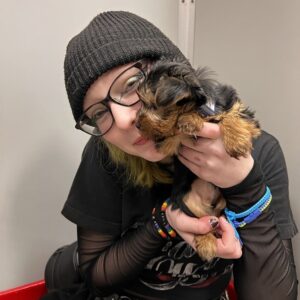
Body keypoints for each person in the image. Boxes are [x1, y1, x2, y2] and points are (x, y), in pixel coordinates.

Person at [43, 11, 298, 300]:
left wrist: (245, 186)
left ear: (174, 73)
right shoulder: (106, 156)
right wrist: (165, 223)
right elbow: (97, 277)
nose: (123, 120)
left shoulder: (258, 150)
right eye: (99, 113)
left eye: (130, 84)